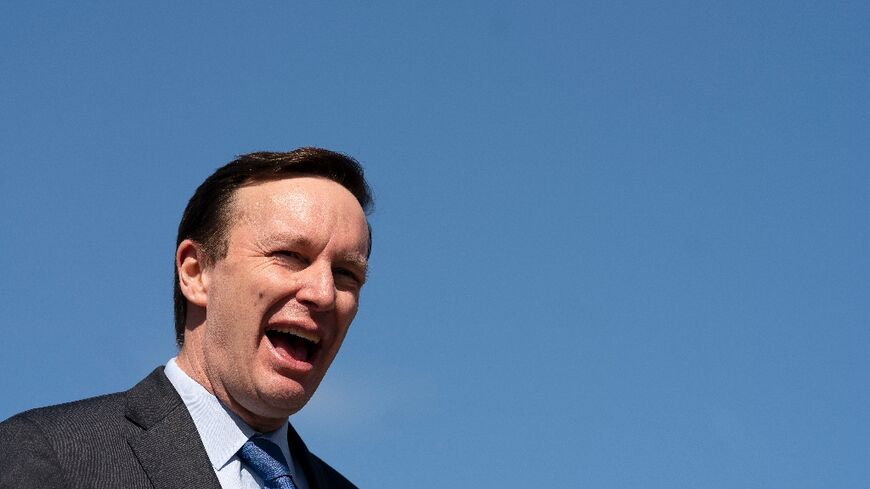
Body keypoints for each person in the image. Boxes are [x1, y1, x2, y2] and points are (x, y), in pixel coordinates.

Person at [0, 148, 373, 489]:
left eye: (346, 274)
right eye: (290, 256)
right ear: (196, 273)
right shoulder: (50, 456)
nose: (324, 293)